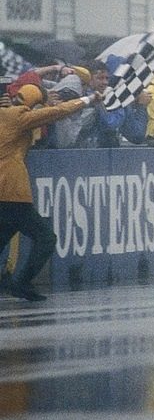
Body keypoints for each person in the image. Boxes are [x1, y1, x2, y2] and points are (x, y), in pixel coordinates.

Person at [0, 84, 97, 301]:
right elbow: (57, 113)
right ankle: (21, 283)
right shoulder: (19, 115)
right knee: (46, 238)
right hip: (12, 192)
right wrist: (88, 100)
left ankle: (10, 281)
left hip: (6, 194)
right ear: (33, 103)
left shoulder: (5, 114)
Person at [74, 59, 125, 148]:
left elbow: (111, 124)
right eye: (100, 78)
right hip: (80, 149)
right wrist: (91, 99)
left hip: (106, 150)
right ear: (89, 79)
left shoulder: (114, 99)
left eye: (107, 78)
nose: (105, 82)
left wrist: (98, 103)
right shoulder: (78, 97)